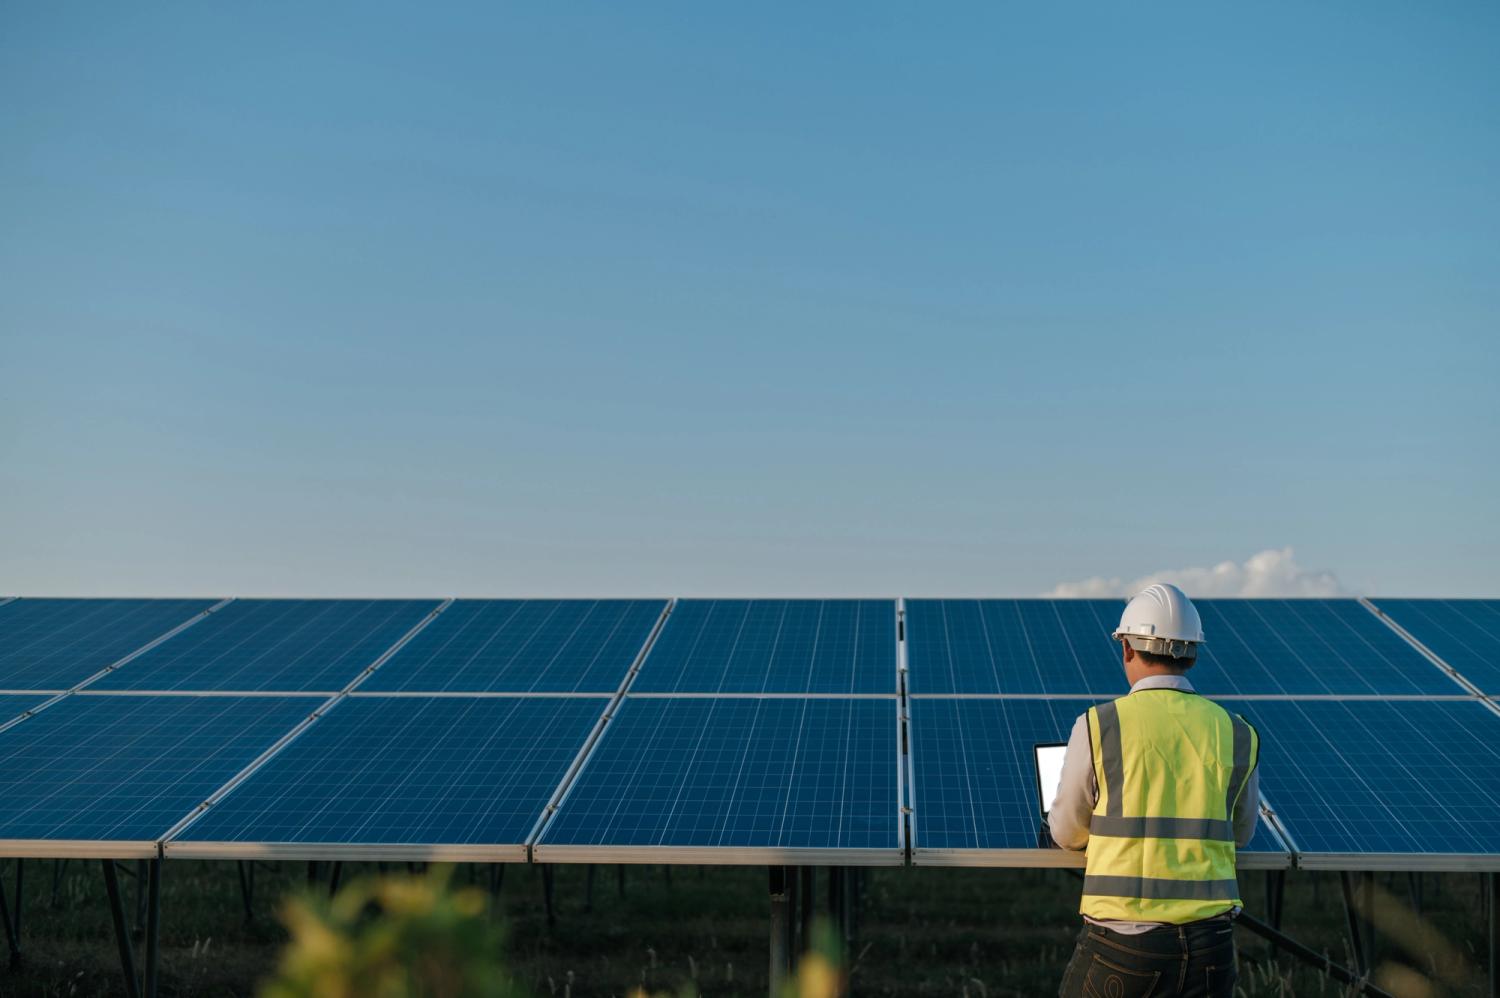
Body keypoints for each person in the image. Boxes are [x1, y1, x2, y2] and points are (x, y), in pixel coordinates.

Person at [1050, 583, 1260, 998]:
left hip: (1125, 945)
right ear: (1193, 653)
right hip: (1212, 948)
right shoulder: (1236, 731)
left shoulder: (1099, 725)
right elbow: (1240, 833)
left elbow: (1066, 833)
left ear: (1127, 648)